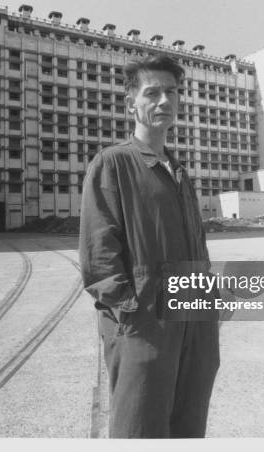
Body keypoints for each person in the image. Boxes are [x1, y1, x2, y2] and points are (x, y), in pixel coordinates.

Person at [79, 55, 220, 438]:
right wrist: (132, 312)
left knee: (189, 420)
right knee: (140, 423)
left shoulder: (178, 171)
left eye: (171, 92)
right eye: (152, 92)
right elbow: (98, 255)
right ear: (131, 104)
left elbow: (198, 246)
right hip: (144, 321)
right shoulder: (114, 164)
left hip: (194, 315)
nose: (163, 101)